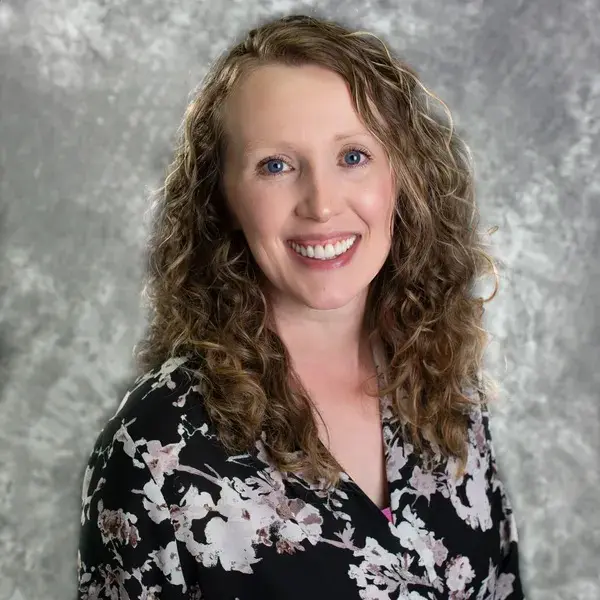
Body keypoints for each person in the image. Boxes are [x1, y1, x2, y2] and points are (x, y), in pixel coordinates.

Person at [76, 13, 524, 600]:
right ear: (223, 200)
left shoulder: (444, 393)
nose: (321, 203)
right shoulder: (156, 453)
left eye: (353, 156)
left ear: (402, 176)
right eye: (276, 165)